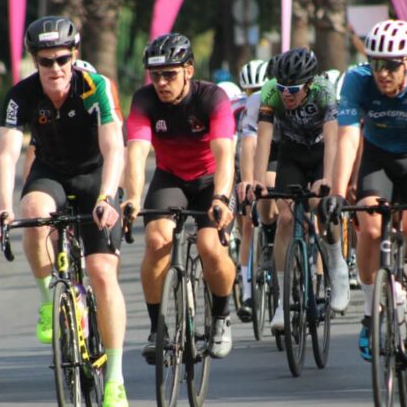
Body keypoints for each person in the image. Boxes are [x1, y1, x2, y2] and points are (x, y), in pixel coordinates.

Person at [0, 16, 129, 407]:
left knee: (101, 272)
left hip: (95, 176)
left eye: (62, 59)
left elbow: (114, 147)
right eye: (46, 61)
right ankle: (49, 301)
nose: (55, 68)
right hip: (50, 172)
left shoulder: (96, 87)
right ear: (35, 60)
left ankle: (115, 377)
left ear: (74, 56)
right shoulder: (21, 95)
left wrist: (106, 197)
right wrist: (2, 205)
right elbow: (8, 153)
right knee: (31, 210)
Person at [328, 19, 407, 377]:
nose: (381, 73)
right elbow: (348, 139)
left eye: (391, 65)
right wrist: (338, 192)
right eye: (375, 62)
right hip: (379, 159)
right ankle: (370, 315)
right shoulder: (357, 80)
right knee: (368, 226)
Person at [122, 32, 236, 362]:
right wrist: (132, 196)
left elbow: (225, 154)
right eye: (155, 75)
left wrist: (222, 199)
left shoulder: (211, 98)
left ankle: (220, 317)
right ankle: (158, 328)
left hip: (211, 181)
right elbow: (137, 152)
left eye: (169, 74)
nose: (161, 82)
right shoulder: (144, 100)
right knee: (157, 240)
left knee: (209, 246)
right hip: (171, 177)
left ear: (188, 69)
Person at [250, 48, 350, 330]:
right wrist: (258, 180)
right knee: (284, 219)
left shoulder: (324, 91)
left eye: (293, 89)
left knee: (322, 207)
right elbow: (264, 139)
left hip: (320, 152)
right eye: (282, 88)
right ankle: (283, 302)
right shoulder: (270, 92)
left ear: (308, 84)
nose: (286, 95)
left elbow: (333, 140)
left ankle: (336, 262)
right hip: (291, 153)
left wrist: (328, 179)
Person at [235, 59, 269, 322]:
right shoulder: (236, 107)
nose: (253, 96)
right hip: (239, 161)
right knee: (247, 225)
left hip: (269, 160)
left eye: (257, 89)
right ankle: (247, 293)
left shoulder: (272, 103)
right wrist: (246, 180)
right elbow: (244, 146)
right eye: (248, 91)